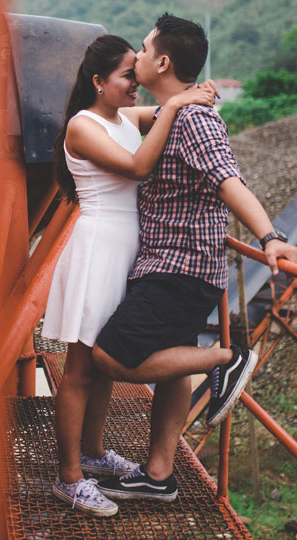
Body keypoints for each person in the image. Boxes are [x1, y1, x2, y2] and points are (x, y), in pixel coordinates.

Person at [91, 14, 297, 503]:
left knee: (110, 355)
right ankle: (158, 474)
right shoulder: (178, 111)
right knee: (171, 367)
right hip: (176, 265)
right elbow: (110, 116)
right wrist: (173, 103)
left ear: (163, 61)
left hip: (179, 267)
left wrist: (270, 236)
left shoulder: (195, 119)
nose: (138, 58)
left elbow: (228, 178)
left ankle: (229, 359)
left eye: (144, 51)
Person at [42, 34, 218, 517]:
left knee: (105, 361)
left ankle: (94, 453)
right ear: (99, 82)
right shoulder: (83, 126)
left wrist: (186, 99)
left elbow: (164, 117)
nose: (134, 83)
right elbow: (141, 165)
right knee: (80, 370)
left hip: (128, 252)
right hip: (99, 251)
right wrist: (181, 99)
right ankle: (69, 476)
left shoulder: (123, 118)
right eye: (125, 75)